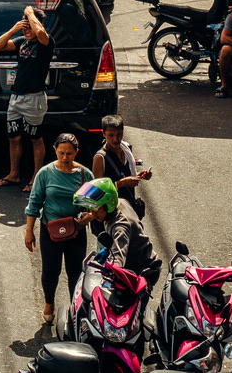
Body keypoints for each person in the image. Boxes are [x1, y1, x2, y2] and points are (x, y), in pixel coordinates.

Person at [25, 132, 91, 325]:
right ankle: (49, 302)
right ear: (54, 150)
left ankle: (75, 308)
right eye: (61, 153)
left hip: (76, 231)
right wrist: (29, 231)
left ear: (76, 153)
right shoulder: (45, 173)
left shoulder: (84, 174)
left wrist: (89, 216)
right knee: (50, 270)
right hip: (49, 230)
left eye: (69, 154)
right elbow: (34, 203)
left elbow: (93, 205)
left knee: (76, 272)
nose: (64, 158)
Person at [0, 5, 54, 186]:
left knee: (35, 138)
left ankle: (36, 177)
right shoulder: (22, 42)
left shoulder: (46, 42)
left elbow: (41, 33)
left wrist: (30, 13)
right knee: (14, 137)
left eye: (30, 26)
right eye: (25, 26)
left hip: (34, 99)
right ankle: (14, 174)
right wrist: (14, 29)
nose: (27, 30)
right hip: (16, 98)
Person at [75, 174, 155, 280]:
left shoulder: (120, 227)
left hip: (143, 269)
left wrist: (107, 272)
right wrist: (108, 249)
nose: (92, 213)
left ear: (108, 205)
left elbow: (117, 262)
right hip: (134, 259)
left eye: (95, 208)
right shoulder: (120, 202)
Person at [92, 114, 150, 217]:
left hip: (129, 209)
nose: (115, 139)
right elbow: (97, 191)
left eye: (119, 134)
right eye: (111, 135)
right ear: (103, 134)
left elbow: (126, 174)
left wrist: (139, 175)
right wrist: (121, 184)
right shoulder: (100, 158)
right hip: (111, 214)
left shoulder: (126, 149)